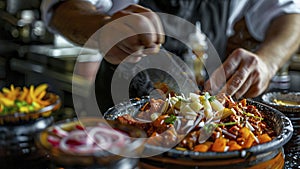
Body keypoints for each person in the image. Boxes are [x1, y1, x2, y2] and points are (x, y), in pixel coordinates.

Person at [41, 0, 300, 113]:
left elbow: (291, 14)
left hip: (212, 113)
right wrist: (103, 27)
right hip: (120, 117)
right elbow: (64, 8)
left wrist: (268, 61)